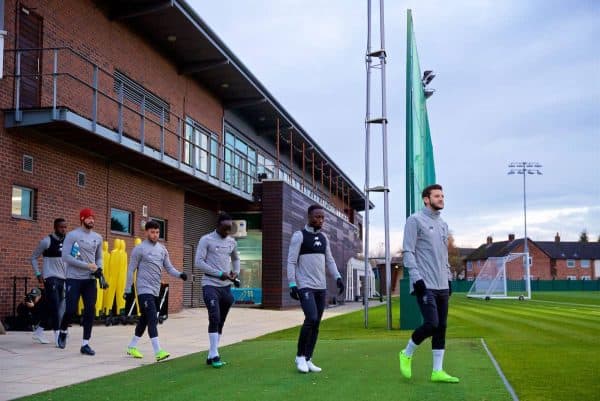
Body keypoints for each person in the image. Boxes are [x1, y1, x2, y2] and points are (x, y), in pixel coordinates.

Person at [399, 184, 459, 383]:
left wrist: (449, 278)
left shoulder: (443, 224)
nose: (441, 199)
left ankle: (437, 371)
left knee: (441, 327)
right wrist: (417, 279)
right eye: (437, 196)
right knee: (431, 324)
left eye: (442, 195)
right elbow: (408, 251)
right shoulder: (414, 220)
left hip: (442, 284)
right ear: (426, 199)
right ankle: (406, 353)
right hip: (425, 283)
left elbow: (443, 255)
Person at [287, 204, 344, 373]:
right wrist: (292, 284)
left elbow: (330, 260)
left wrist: (338, 278)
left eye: (322, 218)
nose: (320, 220)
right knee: (311, 318)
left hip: (321, 287)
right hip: (305, 285)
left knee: (317, 323)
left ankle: (308, 358)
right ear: (309, 217)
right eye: (317, 217)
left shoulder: (324, 238)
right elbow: (291, 261)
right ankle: (299, 357)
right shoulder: (299, 236)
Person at [124, 220, 187, 362]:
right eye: (152, 232)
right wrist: (127, 289)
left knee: (145, 319)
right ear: (146, 232)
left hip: (155, 290)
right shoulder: (139, 249)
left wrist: (180, 275)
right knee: (152, 317)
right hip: (143, 289)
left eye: (157, 232)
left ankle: (132, 346)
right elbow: (131, 270)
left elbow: (169, 268)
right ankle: (158, 351)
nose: (155, 234)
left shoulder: (162, 249)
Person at [58, 208, 108, 355]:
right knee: (71, 309)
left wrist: (99, 268)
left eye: (93, 218)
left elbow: (99, 257)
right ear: (82, 219)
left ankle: (85, 344)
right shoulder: (72, 235)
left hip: (90, 279)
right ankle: (63, 330)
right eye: (88, 218)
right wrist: (87, 265)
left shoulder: (98, 237)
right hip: (74, 278)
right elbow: (66, 257)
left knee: (90, 311)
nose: (91, 220)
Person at [194, 212, 240, 368]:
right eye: (225, 228)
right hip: (210, 284)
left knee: (221, 320)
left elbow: (235, 258)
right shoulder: (206, 240)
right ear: (218, 225)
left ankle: (211, 353)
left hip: (226, 287)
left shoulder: (232, 242)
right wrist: (220, 274)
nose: (228, 231)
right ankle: (215, 355)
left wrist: (236, 272)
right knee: (214, 316)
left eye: (230, 228)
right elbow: (198, 263)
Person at [30, 218, 68, 345]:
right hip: (50, 277)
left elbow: (75, 258)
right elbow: (34, 258)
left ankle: (39, 331)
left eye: (65, 227)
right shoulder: (46, 242)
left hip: (63, 278)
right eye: (61, 227)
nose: (63, 229)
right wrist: (38, 273)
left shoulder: (68, 242)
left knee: (49, 306)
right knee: (56, 306)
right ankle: (58, 337)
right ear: (55, 227)